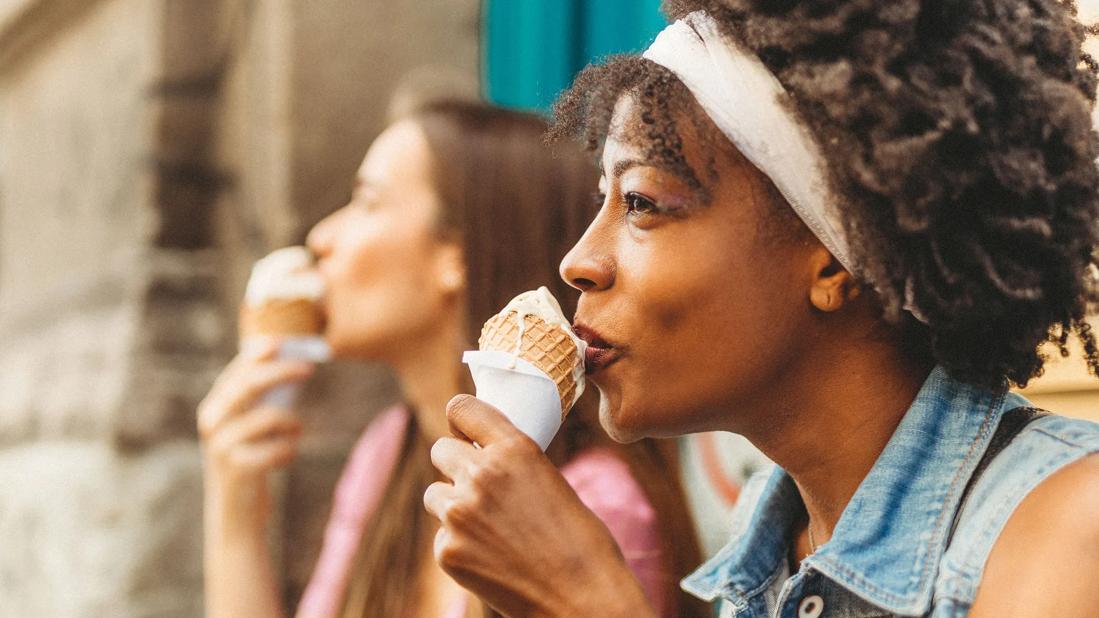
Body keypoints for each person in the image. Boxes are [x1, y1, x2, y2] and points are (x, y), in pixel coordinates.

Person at [423, 2, 1099, 616]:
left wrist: (585, 600)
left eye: (641, 204)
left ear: (834, 256)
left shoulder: (1068, 522)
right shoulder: (768, 564)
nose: (578, 260)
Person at [197, 100, 705, 618]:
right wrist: (235, 511)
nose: (321, 238)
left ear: (454, 255)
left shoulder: (596, 505)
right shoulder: (390, 451)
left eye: (366, 201)